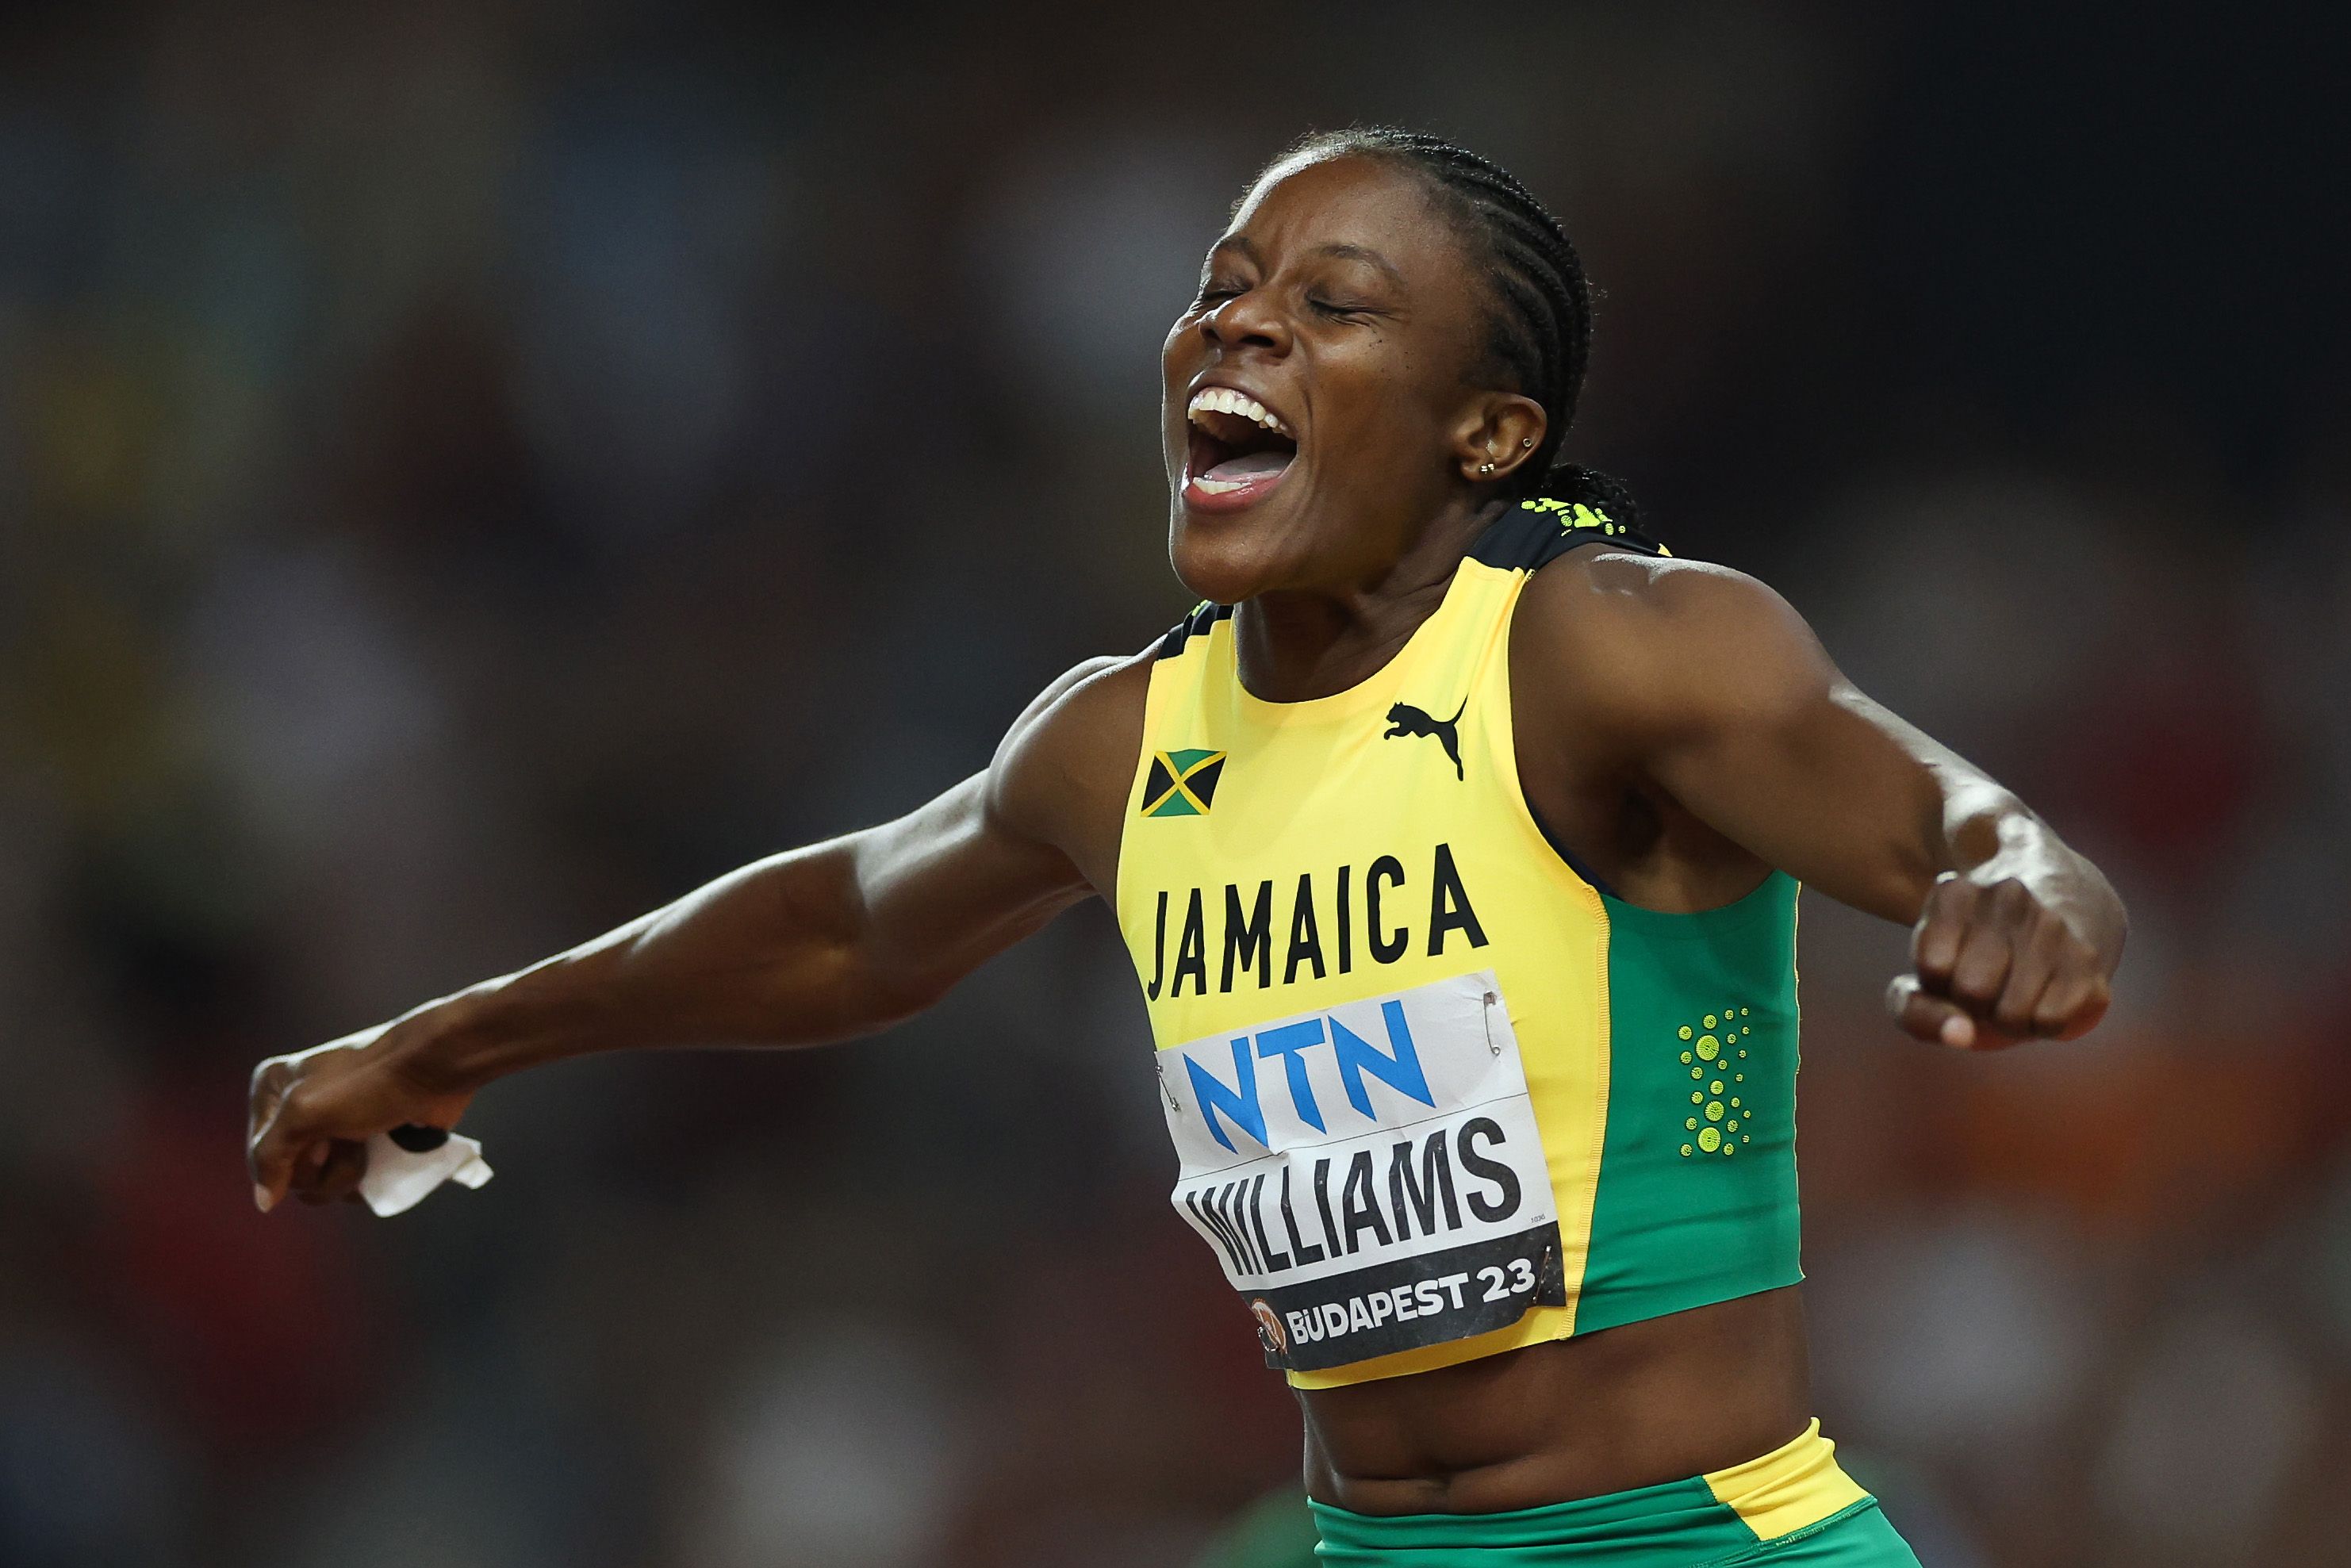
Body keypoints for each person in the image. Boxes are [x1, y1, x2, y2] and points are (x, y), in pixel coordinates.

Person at [247, 128, 2125, 1564]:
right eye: (1226, 286)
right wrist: (455, 1037)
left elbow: (1956, 815)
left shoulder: (1603, 646)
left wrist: (2029, 890)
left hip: (1691, 1536)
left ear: (1488, 428)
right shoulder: (1116, 740)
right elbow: (844, 925)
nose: (1239, 321)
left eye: (1333, 306)